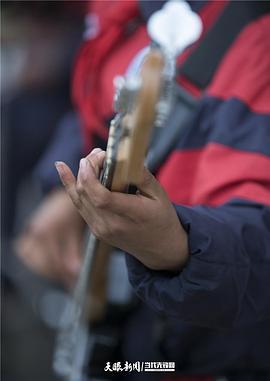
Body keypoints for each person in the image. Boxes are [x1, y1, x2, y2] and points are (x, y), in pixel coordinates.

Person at [19, 1, 270, 379]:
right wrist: (66, 184)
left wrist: (175, 245)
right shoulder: (121, 14)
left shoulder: (258, 42)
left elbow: (259, 236)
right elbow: (98, 108)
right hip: (125, 343)